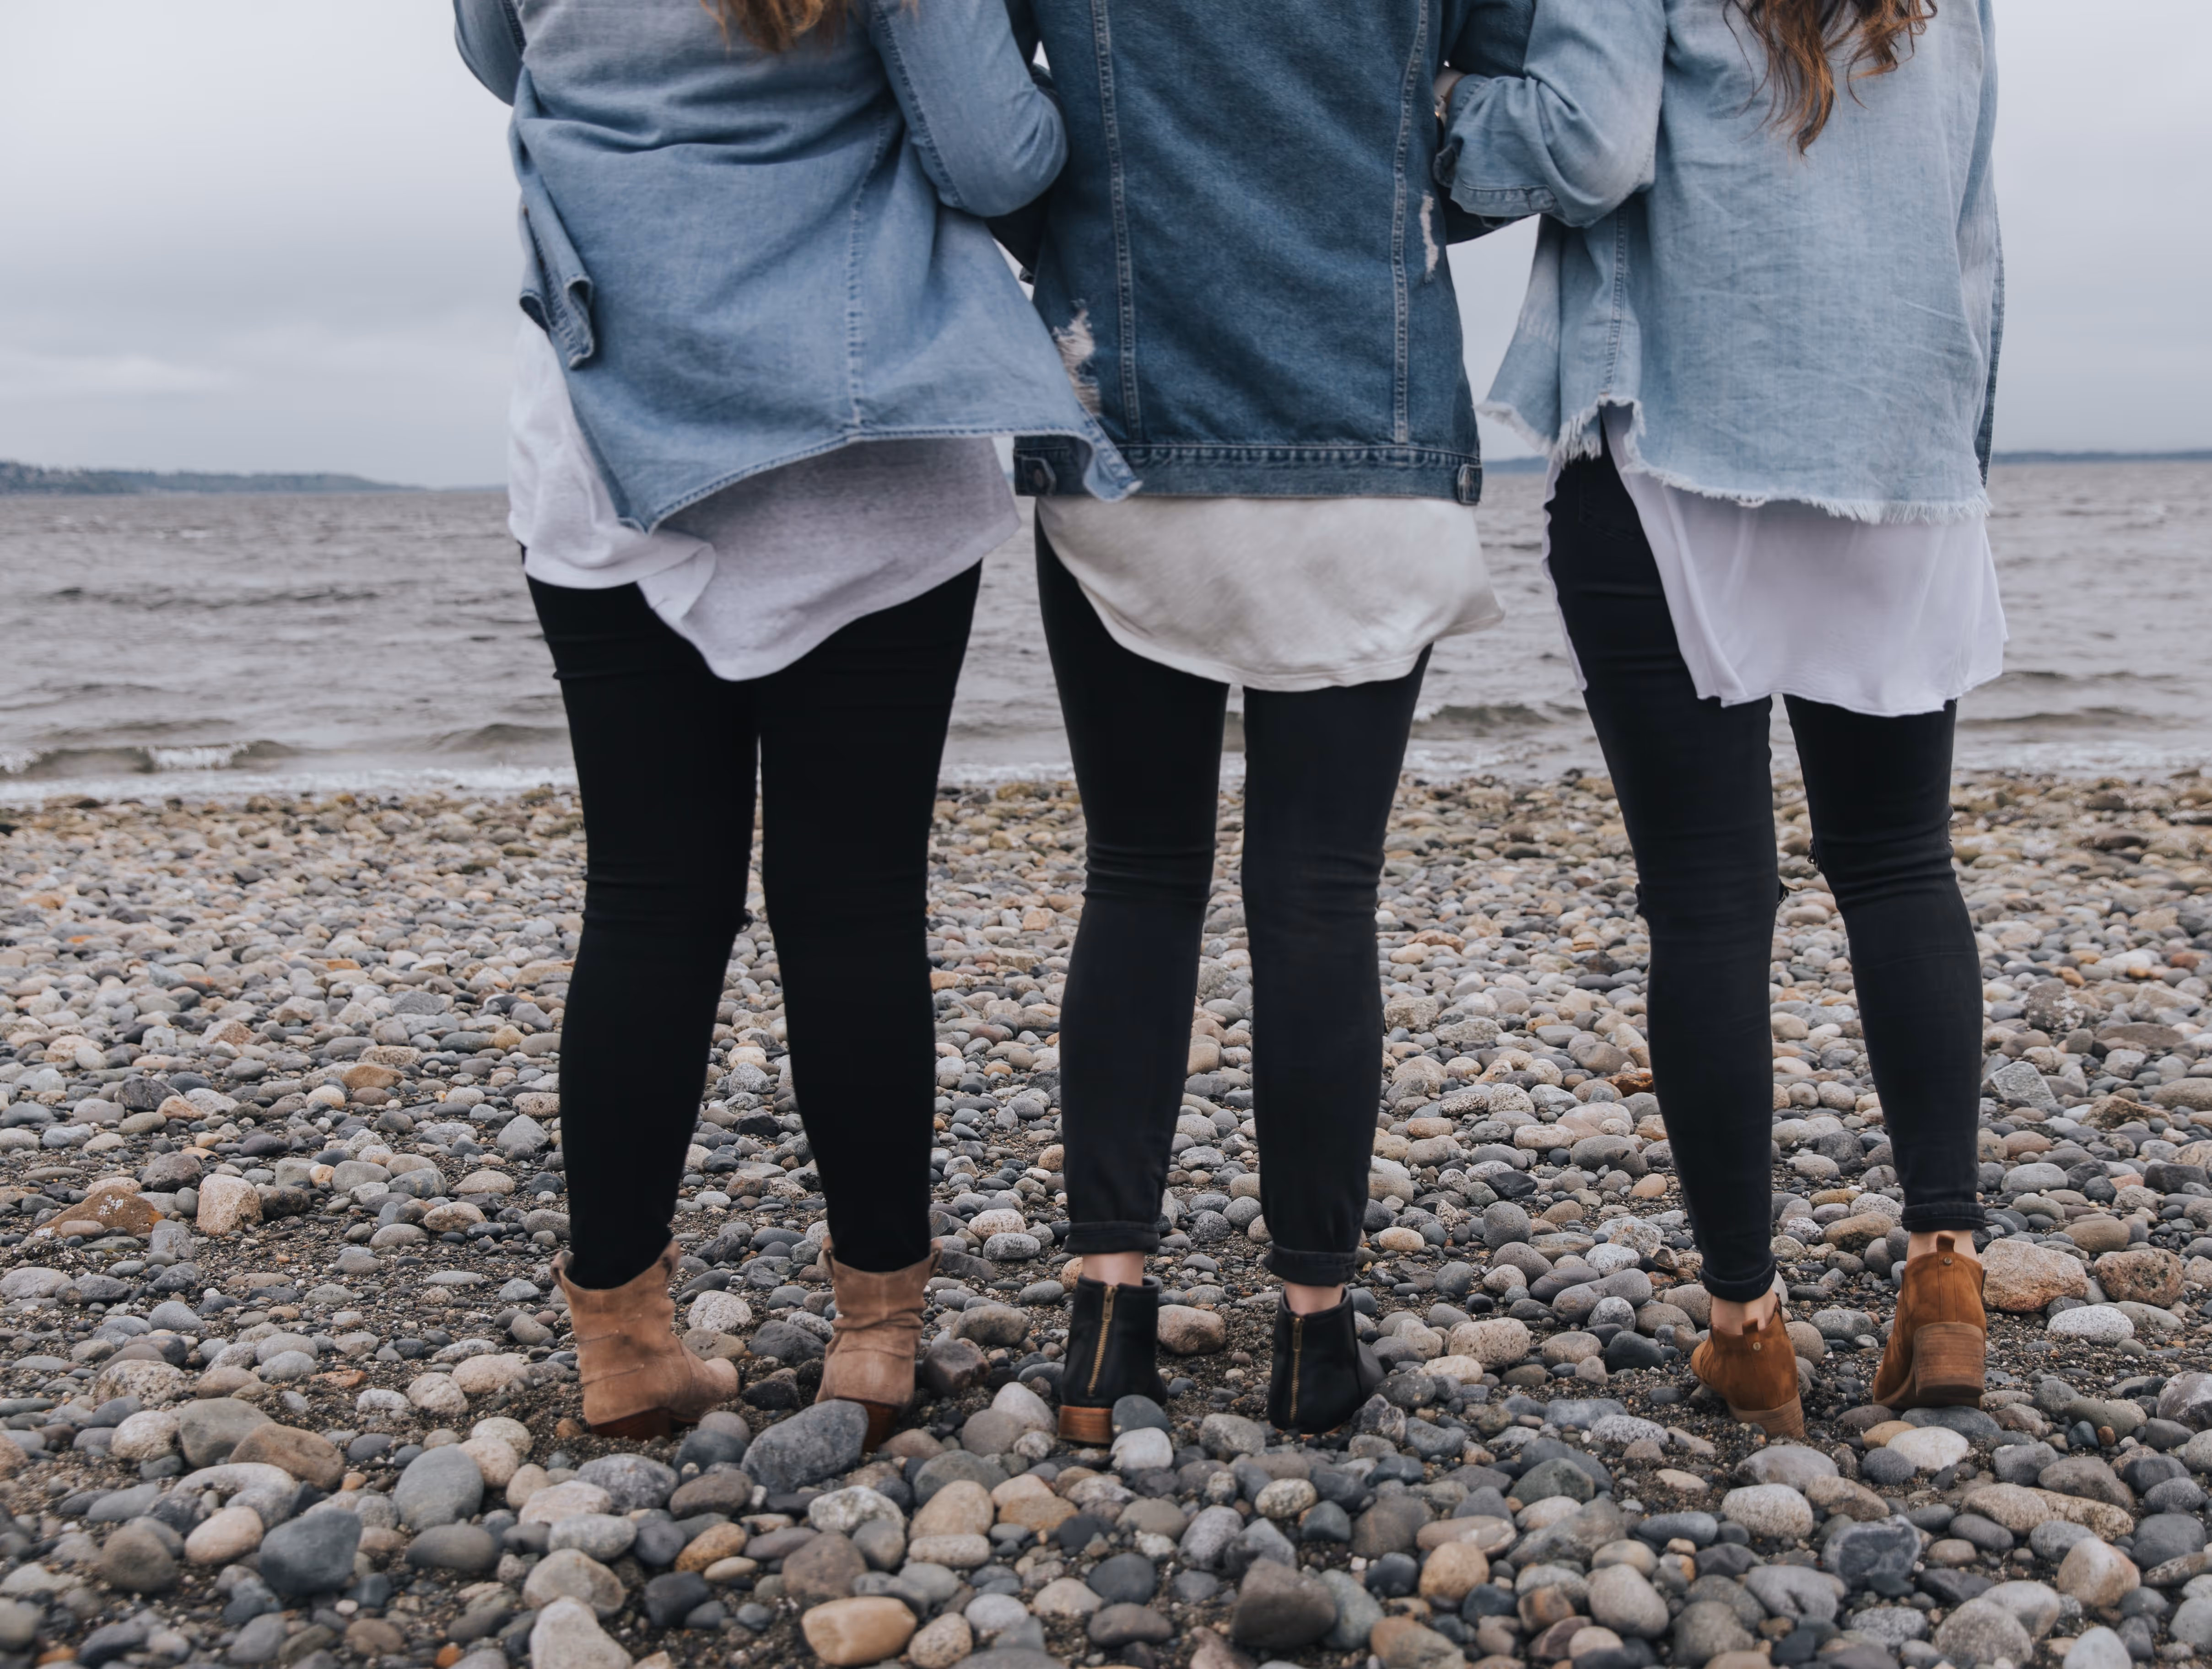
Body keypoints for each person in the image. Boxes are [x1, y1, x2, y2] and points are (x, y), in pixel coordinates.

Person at [452, 0, 1130, 1441]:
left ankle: (625, 1343)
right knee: (856, 903)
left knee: (644, 897)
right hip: (861, 432)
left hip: (612, 427)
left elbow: (499, 60)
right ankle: (877, 1338)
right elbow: (998, 161)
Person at [1439, 0, 2005, 1434]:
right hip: (1897, 449)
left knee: (1707, 899)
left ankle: (1748, 1331)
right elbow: (1974, 231)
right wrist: (1951, 459)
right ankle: (1945, 1273)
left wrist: (1445, 103)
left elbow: (1589, 149)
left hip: (1676, 448)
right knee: (1899, 866)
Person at [1009, 1, 1528, 1440]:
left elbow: (988, 141)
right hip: (1372, 428)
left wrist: (1106, 184)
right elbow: (1534, 121)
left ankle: (1107, 1319)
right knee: (1318, 894)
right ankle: (1314, 1333)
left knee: (1140, 874)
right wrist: (1384, 178)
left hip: (1131, 413)